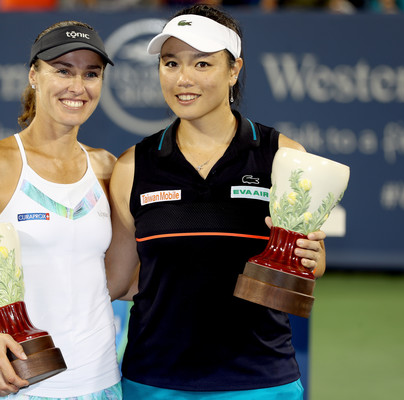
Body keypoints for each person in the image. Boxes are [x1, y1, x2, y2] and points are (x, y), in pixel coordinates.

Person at [105, 5, 326, 399]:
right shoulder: (132, 166)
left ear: (234, 70)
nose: (183, 78)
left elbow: (307, 264)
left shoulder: (284, 156)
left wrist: (312, 256)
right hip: (155, 383)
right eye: (170, 63)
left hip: (261, 383)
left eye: (202, 64)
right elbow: (118, 281)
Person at [0, 21, 122, 400]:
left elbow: (122, 278)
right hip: (15, 386)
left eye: (91, 74)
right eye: (63, 70)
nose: (77, 86)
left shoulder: (107, 167)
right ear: (34, 75)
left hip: (101, 383)